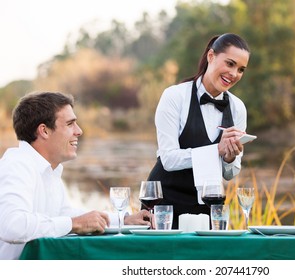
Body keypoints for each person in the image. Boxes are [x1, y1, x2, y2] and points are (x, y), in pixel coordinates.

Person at [0, 91, 152, 260]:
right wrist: (74, 224)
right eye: (70, 124)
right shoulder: (17, 164)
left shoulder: (49, 170)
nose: (79, 131)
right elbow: (11, 226)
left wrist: (123, 220)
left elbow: (66, 214)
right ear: (44, 131)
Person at [147, 33, 251, 228]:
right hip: (165, 205)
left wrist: (229, 158)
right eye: (230, 64)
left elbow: (230, 173)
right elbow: (168, 159)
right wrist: (216, 151)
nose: (234, 73)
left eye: (241, 69)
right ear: (211, 56)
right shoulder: (174, 96)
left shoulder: (238, 108)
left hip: (211, 206)